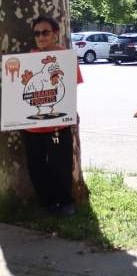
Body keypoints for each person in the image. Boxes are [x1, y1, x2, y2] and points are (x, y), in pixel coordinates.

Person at [22, 15, 83, 216]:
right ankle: (47, 204)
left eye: (45, 32)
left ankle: (65, 202)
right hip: (31, 126)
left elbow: (71, 89)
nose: (41, 36)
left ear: (55, 34)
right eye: (37, 33)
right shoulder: (27, 60)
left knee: (61, 165)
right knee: (36, 166)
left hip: (58, 125)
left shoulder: (66, 58)